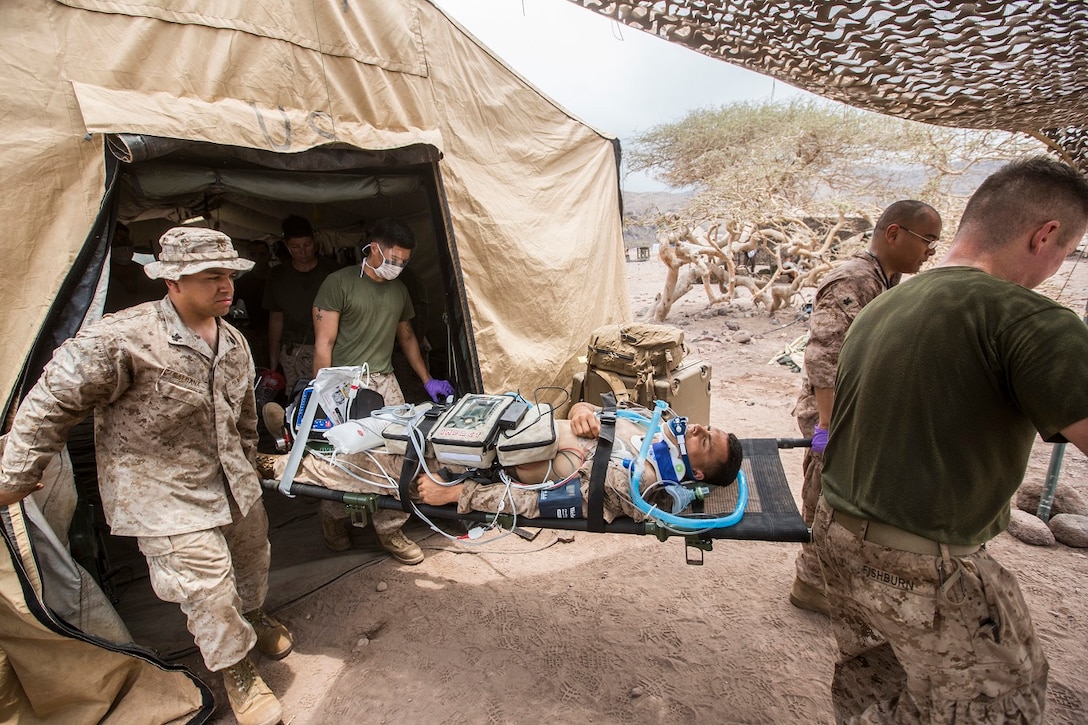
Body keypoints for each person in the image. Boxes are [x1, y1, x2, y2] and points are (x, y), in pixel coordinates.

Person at [815, 156, 1088, 723]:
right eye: (1068, 250)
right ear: (1046, 234)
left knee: (878, 697)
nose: (1059, 266)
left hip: (840, 539)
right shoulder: (1026, 318)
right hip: (925, 563)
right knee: (998, 703)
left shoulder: (883, 305)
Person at [0, 227, 293, 725]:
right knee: (208, 590)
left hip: (229, 482)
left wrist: (252, 461)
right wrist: (16, 474)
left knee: (252, 556)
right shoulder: (123, 338)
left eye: (230, 275)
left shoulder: (234, 339)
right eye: (211, 277)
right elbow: (50, 403)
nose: (227, 287)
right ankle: (238, 671)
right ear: (173, 282)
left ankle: (256, 615)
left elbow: (243, 414)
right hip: (162, 493)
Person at [789, 201, 942, 615]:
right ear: (894, 233)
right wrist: (827, 427)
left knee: (846, 496)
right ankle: (812, 582)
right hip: (835, 413)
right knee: (827, 493)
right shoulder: (853, 281)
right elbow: (823, 357)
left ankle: (825, 577)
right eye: (927, 240)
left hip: (854, 410)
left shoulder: (884, 281)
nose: (931, 252)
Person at [259, 400, 744, 525]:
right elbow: (582, 410)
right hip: (487, 427)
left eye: (707, 442)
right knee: (385, 431)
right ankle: (300, 436)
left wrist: (458, 495)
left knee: (373, 471)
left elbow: (541, 503)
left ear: (696, 473)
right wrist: (581, 410)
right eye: (708, 426)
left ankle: (273, 463)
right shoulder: (648, 427)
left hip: (472, 467)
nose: (698, 429)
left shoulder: (633, 482)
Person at [310, 218, 454, 562]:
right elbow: (324, 342)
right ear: (373, 248)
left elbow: (406, 337)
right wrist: (321, 393)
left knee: (403, 454)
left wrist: (426, 379)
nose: (398, 266)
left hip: (385, 382)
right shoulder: (338, 284)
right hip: (344, 383)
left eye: (404, 261)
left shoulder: (398, 290)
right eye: (393, 258)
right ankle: (333, 519)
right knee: (344, 459)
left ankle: (390, 529)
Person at [263, 214, 339, 392]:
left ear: (315, 241)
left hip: (334, 350)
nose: (303, 252)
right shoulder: (278, 275)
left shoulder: (334, 272)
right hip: (293, 353)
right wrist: (273, 362)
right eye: (295, 247)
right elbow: (276, 319)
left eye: (307, 245)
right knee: (299, 401)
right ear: (286, 245)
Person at [103, 222, 167, 313]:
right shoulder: (100, 281)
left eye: (125, 240)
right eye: (116, 242)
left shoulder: (148, 273)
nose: (123, 245)